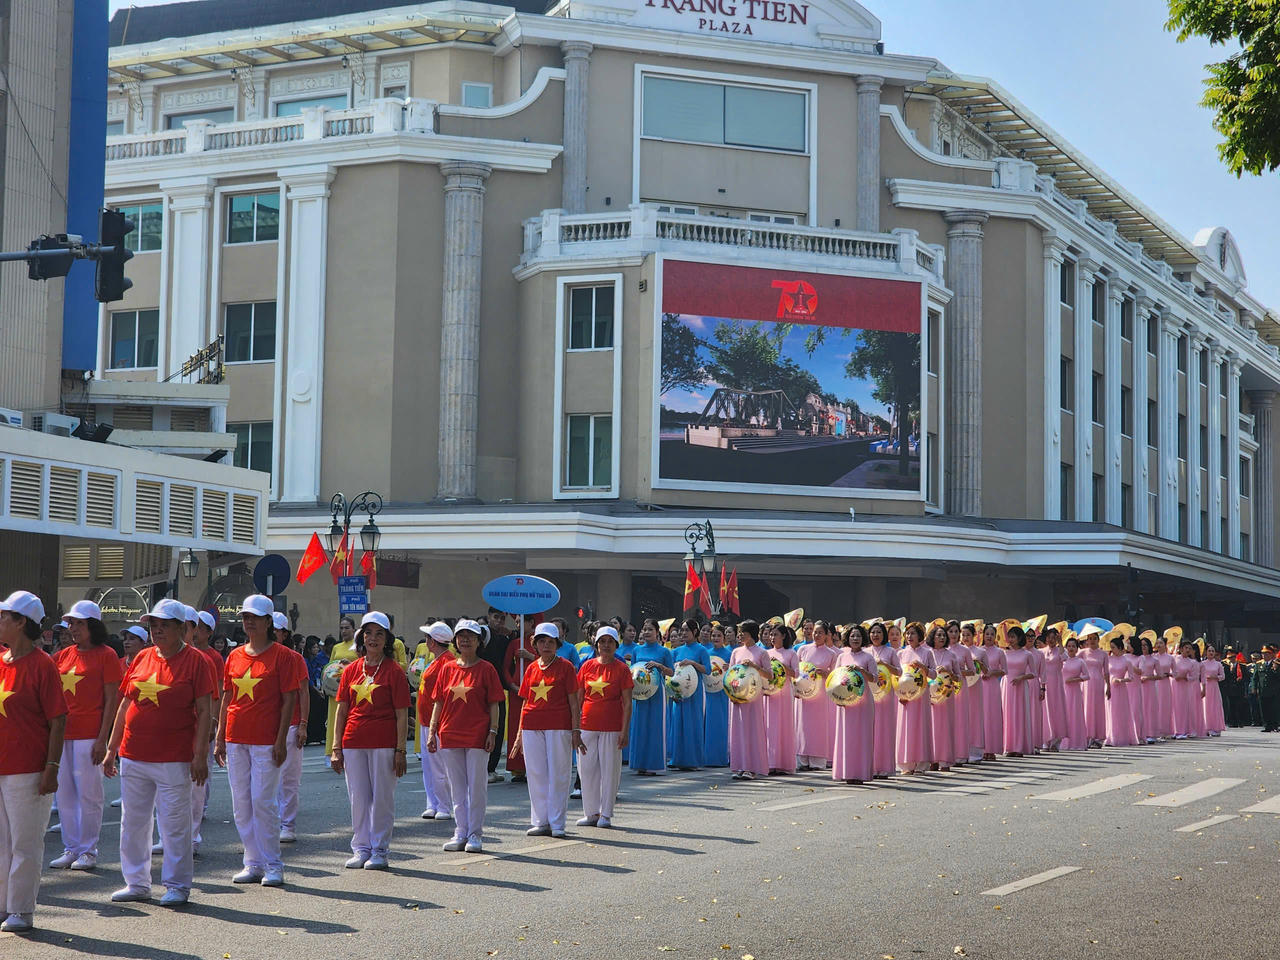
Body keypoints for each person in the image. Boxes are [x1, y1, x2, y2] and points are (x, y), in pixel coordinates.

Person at [103, 598, 213, 908]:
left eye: (165, 625)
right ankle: (136, 883)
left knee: (174, 824)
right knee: (133, 823)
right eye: (154, 624)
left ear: (181, 628)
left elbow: (205, 711)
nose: (157, 630)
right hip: (134, 753)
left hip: (174, 757)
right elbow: (125, 704)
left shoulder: (196, 661)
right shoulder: (142, 657)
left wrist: (199, 755)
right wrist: (112, 748)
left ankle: (177, 884)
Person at [214, 595, 302, 887]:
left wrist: (281, 740)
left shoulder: (283, 656)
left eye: (254, 617)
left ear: (268, 622)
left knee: (262, 802)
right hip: (236, 737)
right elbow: (227, 697)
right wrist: (220, 737)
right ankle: (252, 862)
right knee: (241, 805)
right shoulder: (235, 656)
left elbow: (289, 700)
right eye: (245, 617)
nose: (249, 622)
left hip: (266, 740)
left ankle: (273, 864)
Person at [0, 591, 66, 932]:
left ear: (21, 622)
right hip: (2, 766)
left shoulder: (43, 665)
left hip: (28, 768)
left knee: (24, 843)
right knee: (2, 842)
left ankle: (22, 910)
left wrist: (51, 767)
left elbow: (58, 720)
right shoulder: (1, 660)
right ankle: (3, 904)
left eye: (4, 616)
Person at [330, 611, 409, 869]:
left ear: (387, 639)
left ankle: (380, 850)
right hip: (353, 742)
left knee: (382, 798)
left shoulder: (394, 671)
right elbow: (342, 710)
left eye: (379, 634)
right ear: (361, 637)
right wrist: (336, 747)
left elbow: (401, 714)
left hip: (384, 743)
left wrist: (400, 750)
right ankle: (361, 848)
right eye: (368, 633)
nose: (373, 638)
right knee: (358, 798)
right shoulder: (352, 670)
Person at [51, 600, 121, 872]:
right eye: (71, 623)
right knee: (64, 795)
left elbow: (112, 700)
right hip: (62, 735)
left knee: (89, 795)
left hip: (89, 735)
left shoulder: (107, 655)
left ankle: (88, 851)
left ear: (93, 625)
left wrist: (103, 739)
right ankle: (71, 848)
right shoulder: (62, 656)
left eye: (80, 623)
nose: (73, 628)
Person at [426, 619, 504, 853]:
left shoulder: (487, 669)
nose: (465, 640)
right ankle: (460, 831)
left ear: (479, 641)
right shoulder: (447, 668)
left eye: (470, 636)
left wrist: (493, 731)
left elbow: (494, 704)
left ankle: (475, 834)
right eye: (461, 636)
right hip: (450, 734)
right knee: (457, 788)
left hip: (477, 736)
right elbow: (438, 702)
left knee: (477, 787)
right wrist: (432, 731)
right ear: (455, 641)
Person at [511, 623, 580, 838]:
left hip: (558, 726)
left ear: (557, 644)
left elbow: (574, 702)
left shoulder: (566, 667)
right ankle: (540, 821)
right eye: (542, 641)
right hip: (532, 726)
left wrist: (576, 730)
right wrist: (519, 735)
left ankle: (557, 823)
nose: (546, 645)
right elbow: (525, 702)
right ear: (535, 644)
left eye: (551, 641)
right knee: (536, 774)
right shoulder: (532, 668)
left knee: (558, 773)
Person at [576, 626, 633, 827]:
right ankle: (591, 812)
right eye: (602, 641)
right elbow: (578, 698)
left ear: (616, 645)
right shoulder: (587, 666)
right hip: (587, 726)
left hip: (612, 726)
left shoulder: (622, 669)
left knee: (610, 771)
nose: (606, 645)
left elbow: (627, 703)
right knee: (587, 770)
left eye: (610, 642)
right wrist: (575, 728)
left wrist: (625, 731)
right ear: (596, 644)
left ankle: (606, 814)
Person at [272, 612, 310, 845]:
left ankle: (287, 824)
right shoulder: (257, 656)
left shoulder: (295, 659)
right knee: (265, 778)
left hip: (291, 724)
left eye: (276, 630)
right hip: (266, 725)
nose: (271, 633)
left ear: (284, 634)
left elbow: (303, 692)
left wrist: (303, 724)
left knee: (288, 778)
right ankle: (269, 823)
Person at [416, 622, 454, 821]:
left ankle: (444, 806)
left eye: (428, 638)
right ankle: (432, 803)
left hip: (437, 722)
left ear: (433, 641)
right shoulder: (436, 660)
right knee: (429, 766)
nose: (426, 641)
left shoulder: (447, 662)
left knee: (438, 766)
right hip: (425, 720)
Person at [831, 625, 877, 784]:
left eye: (858, 636)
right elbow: (835, 678)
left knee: (862, 737)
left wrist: (862, 670)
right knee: (846, 737)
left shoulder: (868, 657)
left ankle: (861, 773)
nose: (855, 639)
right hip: (846, 701)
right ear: (847, 638)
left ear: (863, 638)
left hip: (863, 702)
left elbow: (874, 679)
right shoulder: (841, 657)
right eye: (852, 636)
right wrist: (837, 698)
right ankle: (846, 772)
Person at [728, 620, 770, 781]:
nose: (739, 635)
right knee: (738, 730)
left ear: (751, 633)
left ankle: (752, 767)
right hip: (738, 696)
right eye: (739, 632)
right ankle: (740, 765)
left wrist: (755, 666)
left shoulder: (761, 653)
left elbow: (770, 675)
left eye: (742, 632)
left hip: (753, 697)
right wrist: (731, 694)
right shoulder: (736, 652)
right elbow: (730, 674)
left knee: (752, 730)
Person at [630, 619, 673, 776]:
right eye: (645, 629)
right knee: (639, 726)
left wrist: (659, 666)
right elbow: (632, 670)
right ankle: (639, 764)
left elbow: (671, 672)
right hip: (639, 692)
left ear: (657, 632)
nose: (646, 632)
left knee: (655, 726)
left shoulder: (664, 652)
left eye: (650, 629)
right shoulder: (636, 650)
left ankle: (653, 765)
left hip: (656, 693)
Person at [667, 619, 711, 770]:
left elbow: (707, 670)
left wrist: (693, 663)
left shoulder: (701, 650)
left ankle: (693, 760)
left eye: (687, 630)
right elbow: (671, 673)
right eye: (682, 630)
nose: (683, 633)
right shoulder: (676, 651)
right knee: (677, 723)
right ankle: (676, 758)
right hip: (678, 692)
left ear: (695, 632)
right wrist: (671, 691)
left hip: (694, 692)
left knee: (693, 724)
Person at [795, 620, 838, 771]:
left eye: (820, 632)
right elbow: (796, 671)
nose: (816, 635)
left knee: (819, 726)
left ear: (826, 635)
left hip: (821, 694)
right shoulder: (802, 649)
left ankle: (817, 761)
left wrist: (826, 673)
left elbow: (835, 675)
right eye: (815, 632)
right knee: (802, 725)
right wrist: (796, 690)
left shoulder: (832, 654)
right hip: (804, 693)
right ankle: (803, 760)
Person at [896, 622, 934, 773]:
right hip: (905, 697)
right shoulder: (901, 654)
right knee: (905, 727)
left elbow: (934, 674)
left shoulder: (927, 653)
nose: (909, 636)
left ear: (920, 636)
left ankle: (921, 764)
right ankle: (906, 764)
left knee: (920, 726)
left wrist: (923, 667)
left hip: (921, 695)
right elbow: (896, 676)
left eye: (913, 633)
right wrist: (899, 694)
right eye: (907, 633)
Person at [498, 617, 530, 784]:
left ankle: (533, 765)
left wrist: (530, 655)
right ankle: (518, 768)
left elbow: (546, 660)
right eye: (517, 622)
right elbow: (505, 668)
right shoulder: (514, 643)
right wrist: (512, 685)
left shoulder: (540, 642)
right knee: (515, 726)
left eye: (522, 622)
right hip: (517, 690)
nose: (518, 625)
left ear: (531, 623)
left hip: (537, 689)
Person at [866, 622, 901, 777]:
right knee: (870, 731)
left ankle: (884, 767)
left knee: (884, 731)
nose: (875, 635)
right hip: (869, 696)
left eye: (879, 632)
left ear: (884, 635)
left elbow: (899, 671)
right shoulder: (865, 652)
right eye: (873, 632)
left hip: (886, 696)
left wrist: (885, 664)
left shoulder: (890, 651)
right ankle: (869, 766)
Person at [765, 624, 798, 776]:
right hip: (770, 693)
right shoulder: (766, 653)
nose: (772, 637)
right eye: (771, 634)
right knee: (769, 726)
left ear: (783, 636)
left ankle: (783, 763)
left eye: (776, 634)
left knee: (784, 726)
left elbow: (796, 674)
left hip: (784, 692)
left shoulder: (791, 653)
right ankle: (769, 762)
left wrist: (782, 666)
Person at [324, 616, 358, 755]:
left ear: (353, 629)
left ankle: (349, 749)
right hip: (336, 689)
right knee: (334, 719)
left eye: (347, 628)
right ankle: (332, 751)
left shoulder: (358, 646)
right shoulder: (336, 647)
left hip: (352, 688)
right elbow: (330, 667)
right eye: (341, 628)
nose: (344, 631)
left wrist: (350, 665)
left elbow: (363, 663)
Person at [1001, 625, 1036, 757]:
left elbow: (1034, 673)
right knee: (1008, 714)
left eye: (1013, 637)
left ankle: (1019, 746)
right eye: (1009, 637)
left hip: (1021, 687)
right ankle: (1009, 746)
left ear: (1020, 638)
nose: (1010, 639)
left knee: (1020, 714)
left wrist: (1021, 677)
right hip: (1007, 686)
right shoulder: (1004, 653)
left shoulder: (1027, 654)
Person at [702, 623, 730, 768]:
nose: (716, 638)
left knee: (723, 724)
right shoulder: (705, 653)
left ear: (724, 637)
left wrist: (731, 666)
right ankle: (708, 757)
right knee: (709, 724)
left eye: (719, 635)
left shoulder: (730, 654)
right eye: (713, 635)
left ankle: (723, 757)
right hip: (709, 692)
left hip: (723, 694)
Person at [1105, 633, 1139, 747]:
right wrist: (1109, 682)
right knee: (1110, 711)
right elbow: (1105, 673)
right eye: (1111, 647)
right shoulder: (1109, 659)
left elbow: (1132, 677)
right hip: (1110, 687)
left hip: (1121, 689)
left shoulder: (1126, 661)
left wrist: (1121, 680)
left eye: (1113, 647)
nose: (1112, 650)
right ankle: (1110, 736)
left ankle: (1122, 736)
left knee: (1120, 713)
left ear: (1120, 647)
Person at [979, 623, 1006, 758]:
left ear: (996, 636)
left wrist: (992, 673)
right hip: (980, 686)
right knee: (982, 716)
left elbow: (1004, 670)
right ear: (983, 635)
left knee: (993, 716)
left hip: (993, 686)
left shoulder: (1000, 652)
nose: (989, 636)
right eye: (987, 634)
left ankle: (992, 749)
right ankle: (982, 749)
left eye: (992, 634)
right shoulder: (978, 651)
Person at [1079, 625, 1108, 748]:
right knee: (1086, 708)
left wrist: (1109, 686)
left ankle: (1098, 737)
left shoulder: (1103, 654)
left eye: (1094, 638)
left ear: (1098, 639)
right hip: (1085, 684)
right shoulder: (1082, 653)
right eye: (1089, 638)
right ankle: (1086, 736)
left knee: (1098, 709)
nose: (1092, 641)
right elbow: (1072, 662)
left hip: (1098, 684)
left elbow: (1106, 672)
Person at [1060, 636, 1088, 750]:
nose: (1071, 648)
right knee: (1064, 714)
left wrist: (1075, 679)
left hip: (1075, 692)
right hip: (1063, 690)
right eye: (1069, 646)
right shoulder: (1062, 661)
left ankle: (1076, 742)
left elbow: (1087, 676)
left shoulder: (1080, 661)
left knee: (1075, 715)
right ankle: (1063, 742)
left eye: (1073, 646)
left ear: (1077, 648)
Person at [1251, 646, 1280, 732]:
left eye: (1267, 654)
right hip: (1262, 690)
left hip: (1274, 691)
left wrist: (1275, 669)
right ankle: (1267, 726)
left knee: (1274, 708)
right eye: (1263, 654)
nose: (1264, 655)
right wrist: (1254, 688)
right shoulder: (1259, 664)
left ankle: (1275, 725)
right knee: (1264, 708)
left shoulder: (1276, 664)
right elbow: (1255, 677)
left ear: (1271, 655)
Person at [1201, 645, 1225, 736]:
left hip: (1214, 687)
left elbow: (1223, 676)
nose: (1211, 652)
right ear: (1206, 652)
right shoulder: (1202, 664)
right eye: (1209, 651)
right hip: (1205, 686)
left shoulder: (1218, 664)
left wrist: (1215, 677)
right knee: (1205, 706)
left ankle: (1215, 728)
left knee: (1215, 707)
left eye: (1212, 651)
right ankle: (1205, 728)